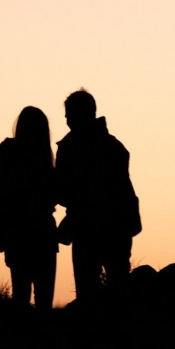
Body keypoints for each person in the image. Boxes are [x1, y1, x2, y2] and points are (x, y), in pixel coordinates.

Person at [55, 88, 141, 302]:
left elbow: (64, 191)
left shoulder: (69, 148)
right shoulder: (114, 146)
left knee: (88, 292)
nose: (67, 120)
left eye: (69, 115)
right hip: (118, 226)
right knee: (118, 288)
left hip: (87, 228)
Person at [0, 106, 58, 310]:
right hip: (42, 232)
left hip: (17, 233)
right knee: (44, 300)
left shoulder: (8, 154)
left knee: (20, 297)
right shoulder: (43, 158)